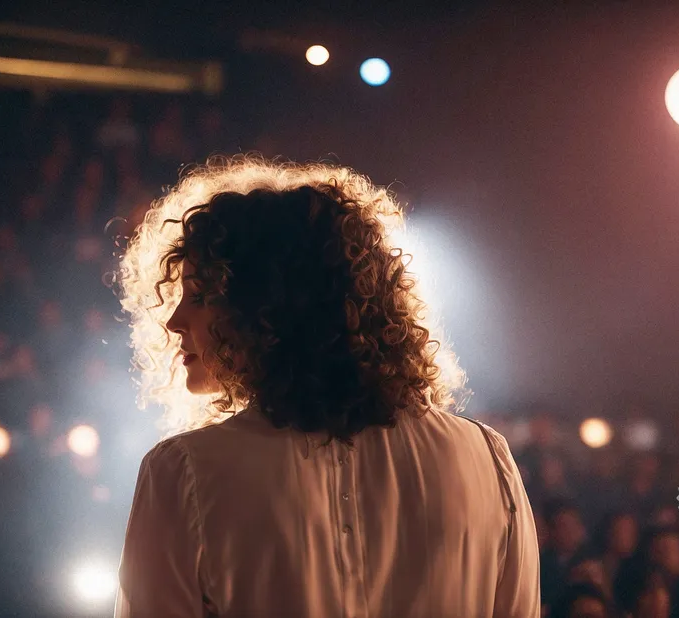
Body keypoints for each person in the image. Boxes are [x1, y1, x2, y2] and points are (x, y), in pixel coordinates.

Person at [114, 156, 540, 617]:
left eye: (200, 296)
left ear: (267, 307)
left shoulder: (183, 474)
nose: (175, 320)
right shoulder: (488, 459)